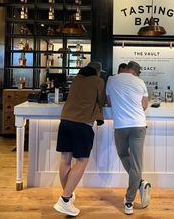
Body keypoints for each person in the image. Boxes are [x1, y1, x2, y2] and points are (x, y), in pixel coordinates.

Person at [54, 61, 105, 216]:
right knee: (82, 160)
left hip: (65, 122)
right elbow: (102, 101)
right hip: (82, 124)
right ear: (98, 71)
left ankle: (67, 198)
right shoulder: (98, 81)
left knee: (65, 159)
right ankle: (64, 199)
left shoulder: (76, 78)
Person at [106, 61, 151, 215]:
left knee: (123, 154)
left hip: (120, 126)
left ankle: (138, 185)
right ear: (136, 73)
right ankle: (130, 200)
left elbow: (110, 102)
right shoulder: (140, 82)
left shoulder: (111, 80)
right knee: (137, 165)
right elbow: (144, 105)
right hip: (138, 125)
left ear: (126, 69)